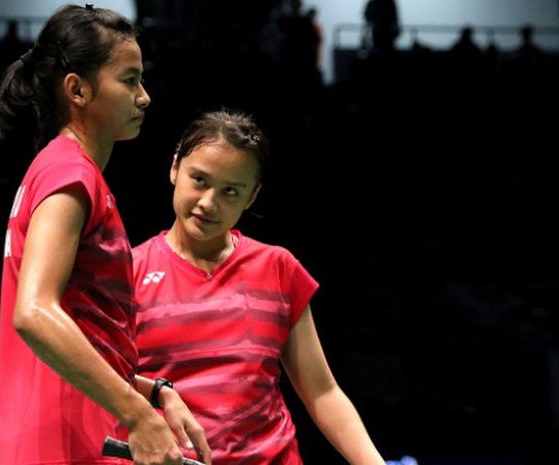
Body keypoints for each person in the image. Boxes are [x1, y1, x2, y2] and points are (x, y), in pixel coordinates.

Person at [0, 4, 211, 465]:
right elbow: (35, 311)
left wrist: (153, 391)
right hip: (64, 444)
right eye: (128, 80)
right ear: (78, 90)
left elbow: (85, 332)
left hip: (68, 436)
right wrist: (138, 417)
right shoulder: (68, 174)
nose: (144, 97)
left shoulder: (64, 172)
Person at [130, 110, 387, 465]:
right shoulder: (128, 272)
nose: (208, 202)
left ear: (251, 197)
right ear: (175, 168)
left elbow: (321, 392)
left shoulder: (278, 268)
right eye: (200, 180)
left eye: (230, 191)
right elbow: (109, 383)